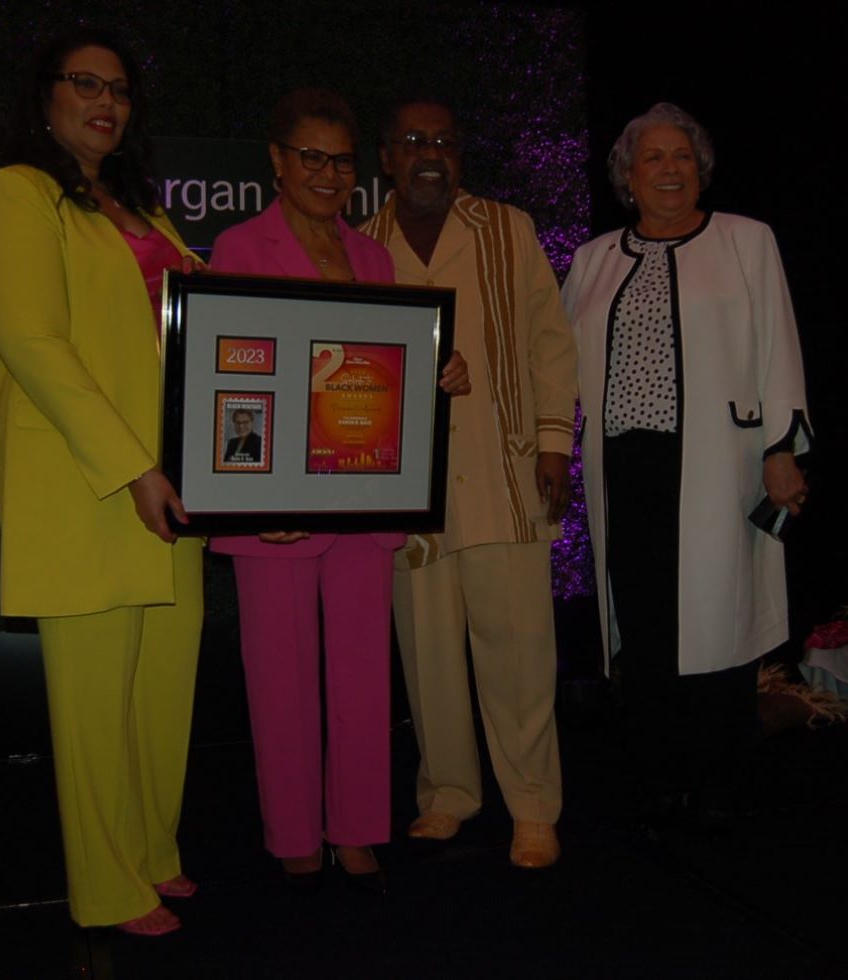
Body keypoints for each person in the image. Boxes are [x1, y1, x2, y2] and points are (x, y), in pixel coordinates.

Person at [0, 28, 204, 935]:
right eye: (84, 84)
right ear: (46, 98)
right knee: (95, 696)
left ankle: (152, 854)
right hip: (88, 477)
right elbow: (31, 340)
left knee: (162, 686)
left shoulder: (143, 209)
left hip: (170, 482)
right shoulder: (17, 192)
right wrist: (132, 465)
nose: (104, 102)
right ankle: (105, 889)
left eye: (118, 90)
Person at [210, 88, 471, 892]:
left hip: (360, 496)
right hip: (275, 512)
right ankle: (292, 830)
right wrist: (261, 497)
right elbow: (231, 379)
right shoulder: (238, 246)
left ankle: (357, 826)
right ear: (278, 161)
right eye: (311, 157)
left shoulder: (374, 258)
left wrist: (435, 377)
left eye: (341, 160)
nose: (328, 174)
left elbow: (375, 378)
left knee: (362, 675)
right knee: (279, 679)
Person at [561, 102, 811, 826]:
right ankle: (656, 770)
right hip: (624, 469)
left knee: (716, 615)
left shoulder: (745, 241)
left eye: (682, 157)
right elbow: (553, 359)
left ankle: (719, 772)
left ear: (700, 170)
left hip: (717, 463)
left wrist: (781, 447)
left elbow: (780, 345)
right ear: (627, 178)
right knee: (641, 621)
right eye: (653, 159)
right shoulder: (593, 259)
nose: (670, 170)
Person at [362, 98, 577, 867]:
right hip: (408, 490)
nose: (431, 154)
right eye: (414, 140)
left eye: (446, 142)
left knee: (518, 650)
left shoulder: (508, 229)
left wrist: (555, 441)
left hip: (503, 471)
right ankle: (448, 794)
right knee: (427, 655)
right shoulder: (363, 247)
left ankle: (532, 806)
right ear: (385, 156)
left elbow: (552, 341)